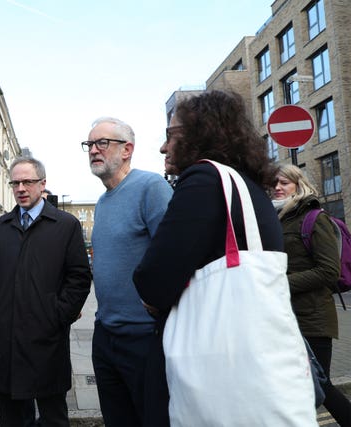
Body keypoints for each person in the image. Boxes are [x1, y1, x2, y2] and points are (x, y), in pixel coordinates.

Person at [132, 90, 285, 423]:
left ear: (198, 136)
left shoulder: (204, 180)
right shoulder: (248, 187)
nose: (162, 147)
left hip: (209, 359)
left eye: (170, 136)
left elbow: (153, 282)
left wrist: (156, 294)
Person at [0, 156, 91, 427]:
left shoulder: (65, 225)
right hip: (6, 340)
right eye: (15, 182)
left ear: (42, 184)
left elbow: (79, 277)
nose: (20, 188)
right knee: (13, 418)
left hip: (47, 341)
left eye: (27, 182)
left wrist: (58, 315)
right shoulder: (0, 227)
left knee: (53, 417)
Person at [83, 117, 173, 426]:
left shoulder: (151, 187)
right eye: (90, 144)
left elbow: (174, 256)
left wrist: (160, 305)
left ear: (127, 149)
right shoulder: (103, 202)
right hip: (106, 335)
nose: (94, 150)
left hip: (144, 338)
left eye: (102, 143)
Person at [273, 164, 351, 425]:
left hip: (313, 317)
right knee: (299, 389)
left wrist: (280, 283)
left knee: (320, 385)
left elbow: (329, 271)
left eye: (284, 182)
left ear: (299, 184)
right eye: (274, 183)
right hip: (286, 316)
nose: (277, 187)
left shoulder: (314, 218)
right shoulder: (278, 218)